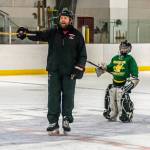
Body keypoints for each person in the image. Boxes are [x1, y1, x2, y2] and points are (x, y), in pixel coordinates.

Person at [16, 8, 87, 134]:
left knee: (68, 97)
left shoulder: (77, 35)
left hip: (70, 72)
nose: (63, 20)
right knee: (53, 96)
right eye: (61, 18)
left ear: (70, 20)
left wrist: (79, 67)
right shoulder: (53, 32)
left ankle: (66, 118)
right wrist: (26, 33)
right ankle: (53, 122)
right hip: (54, 70)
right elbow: (39, 35)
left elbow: (83, 55)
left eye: (65, 18)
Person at [96, 40, 139, 122]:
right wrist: (103, 68)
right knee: (110, 91)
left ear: (129, 49)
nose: (123, 50)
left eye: (125, 48)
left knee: (121, 93)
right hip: (115, 82)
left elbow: (134, 71)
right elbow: (110, 67)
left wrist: (132, 80)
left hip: (124, 83)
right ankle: (112, 112)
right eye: (122, 48)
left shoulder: (130, 59)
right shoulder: (115, 58)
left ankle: (126, 113)